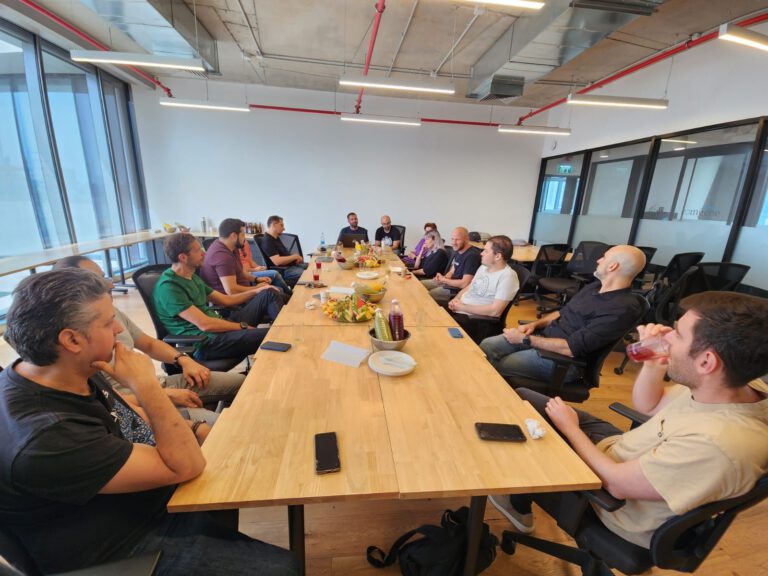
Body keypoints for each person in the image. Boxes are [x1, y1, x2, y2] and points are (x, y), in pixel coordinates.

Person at [0, 268, 298, 575]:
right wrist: (147, 386)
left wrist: (194, 428)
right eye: (107, 322)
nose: (118, 328)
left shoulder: (59, 371)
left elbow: (128, 417)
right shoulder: (46, 436)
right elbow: (186, 466)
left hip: (142, 502)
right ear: (72, 339)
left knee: (246, 454)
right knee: (284, 568)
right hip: (122, 549)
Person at [490, 291, 768, 551]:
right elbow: (650, 404)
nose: (667, 336)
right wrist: (653, 360)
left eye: (678, 335)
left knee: (520, 428)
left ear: (707, 362)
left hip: (612, 506)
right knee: (523, 400)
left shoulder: (718, 444)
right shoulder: (731, 386)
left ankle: (519, 507)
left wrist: (569, 428)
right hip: (624, 451)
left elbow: (615, 485)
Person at [53, 256, 244, 426]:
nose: (110, 285)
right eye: (99, 281)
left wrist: (183, 359)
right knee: (228, 428)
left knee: (243, 383)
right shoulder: (76, 345)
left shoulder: (111, 312)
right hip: (140, 400)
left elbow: (150, 344)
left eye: (105, 277)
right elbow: (103, 401)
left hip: (155, 386)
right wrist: (161, 396)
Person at [480, 245, 646, 385]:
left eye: (603, 257)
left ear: (612, 267)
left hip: (563, 362)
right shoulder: (594, 287)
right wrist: (535, 325)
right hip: (543, 339)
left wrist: (525, 340)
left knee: (501, 363)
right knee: (488, 345)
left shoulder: (622, 309)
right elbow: (562, 312)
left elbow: (571, 348)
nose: (598, 260)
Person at [154, 233, 281, 364]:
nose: (204, 253)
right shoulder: (169, 287)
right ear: (183, 257)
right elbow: (205, 325)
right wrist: (241, 327)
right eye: (198, 250)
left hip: (220, 328)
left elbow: (226, 300)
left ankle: (289, 328)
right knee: (273, 336)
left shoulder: (191, 276)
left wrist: (257, 290)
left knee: (269, 293)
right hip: (206, 344)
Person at [447, 236, 519, 341]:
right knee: (432, 312)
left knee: (438, 328)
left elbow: (495, 311)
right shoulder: (483, 267)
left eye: (485, 251)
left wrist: (462, 307)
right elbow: (469, 287)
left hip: (475, 320)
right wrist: (456, 299)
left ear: (497, 256)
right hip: (461, 309)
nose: (481, 253)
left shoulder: (508, 276)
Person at [202, 218, 290, 297]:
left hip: (244, 293)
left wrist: (256, 279)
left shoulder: (233, 248)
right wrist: (256, 289)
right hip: (234, 302)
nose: (245, 238)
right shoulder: (222, 256)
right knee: (274, 294)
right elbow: (231, 291)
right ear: (233, 236)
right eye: (243, 234)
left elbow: (241, 272)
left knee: (278, 292)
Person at [420, 227, 481, 306]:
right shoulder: (458, 251)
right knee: (420, 285)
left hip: (456, 290)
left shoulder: (472, 256)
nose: (453, 243)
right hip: (449, 283)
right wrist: (443, 278)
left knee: (429, 294)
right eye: (452, 239)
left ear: (466, 239)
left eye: (457, 239)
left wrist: (444, 280)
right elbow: (453, 269)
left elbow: (464, 284)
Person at [260, 215, 307, 287]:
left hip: (291, 266)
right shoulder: (268, 240)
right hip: (284, 271)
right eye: (281, 225)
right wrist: (294, 257)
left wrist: (295, 259)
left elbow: (284, 255)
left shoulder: (275, 238)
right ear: (274, 225)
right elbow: (277, 261)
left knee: (313, 267)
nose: (284, 228)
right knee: (309, 274)